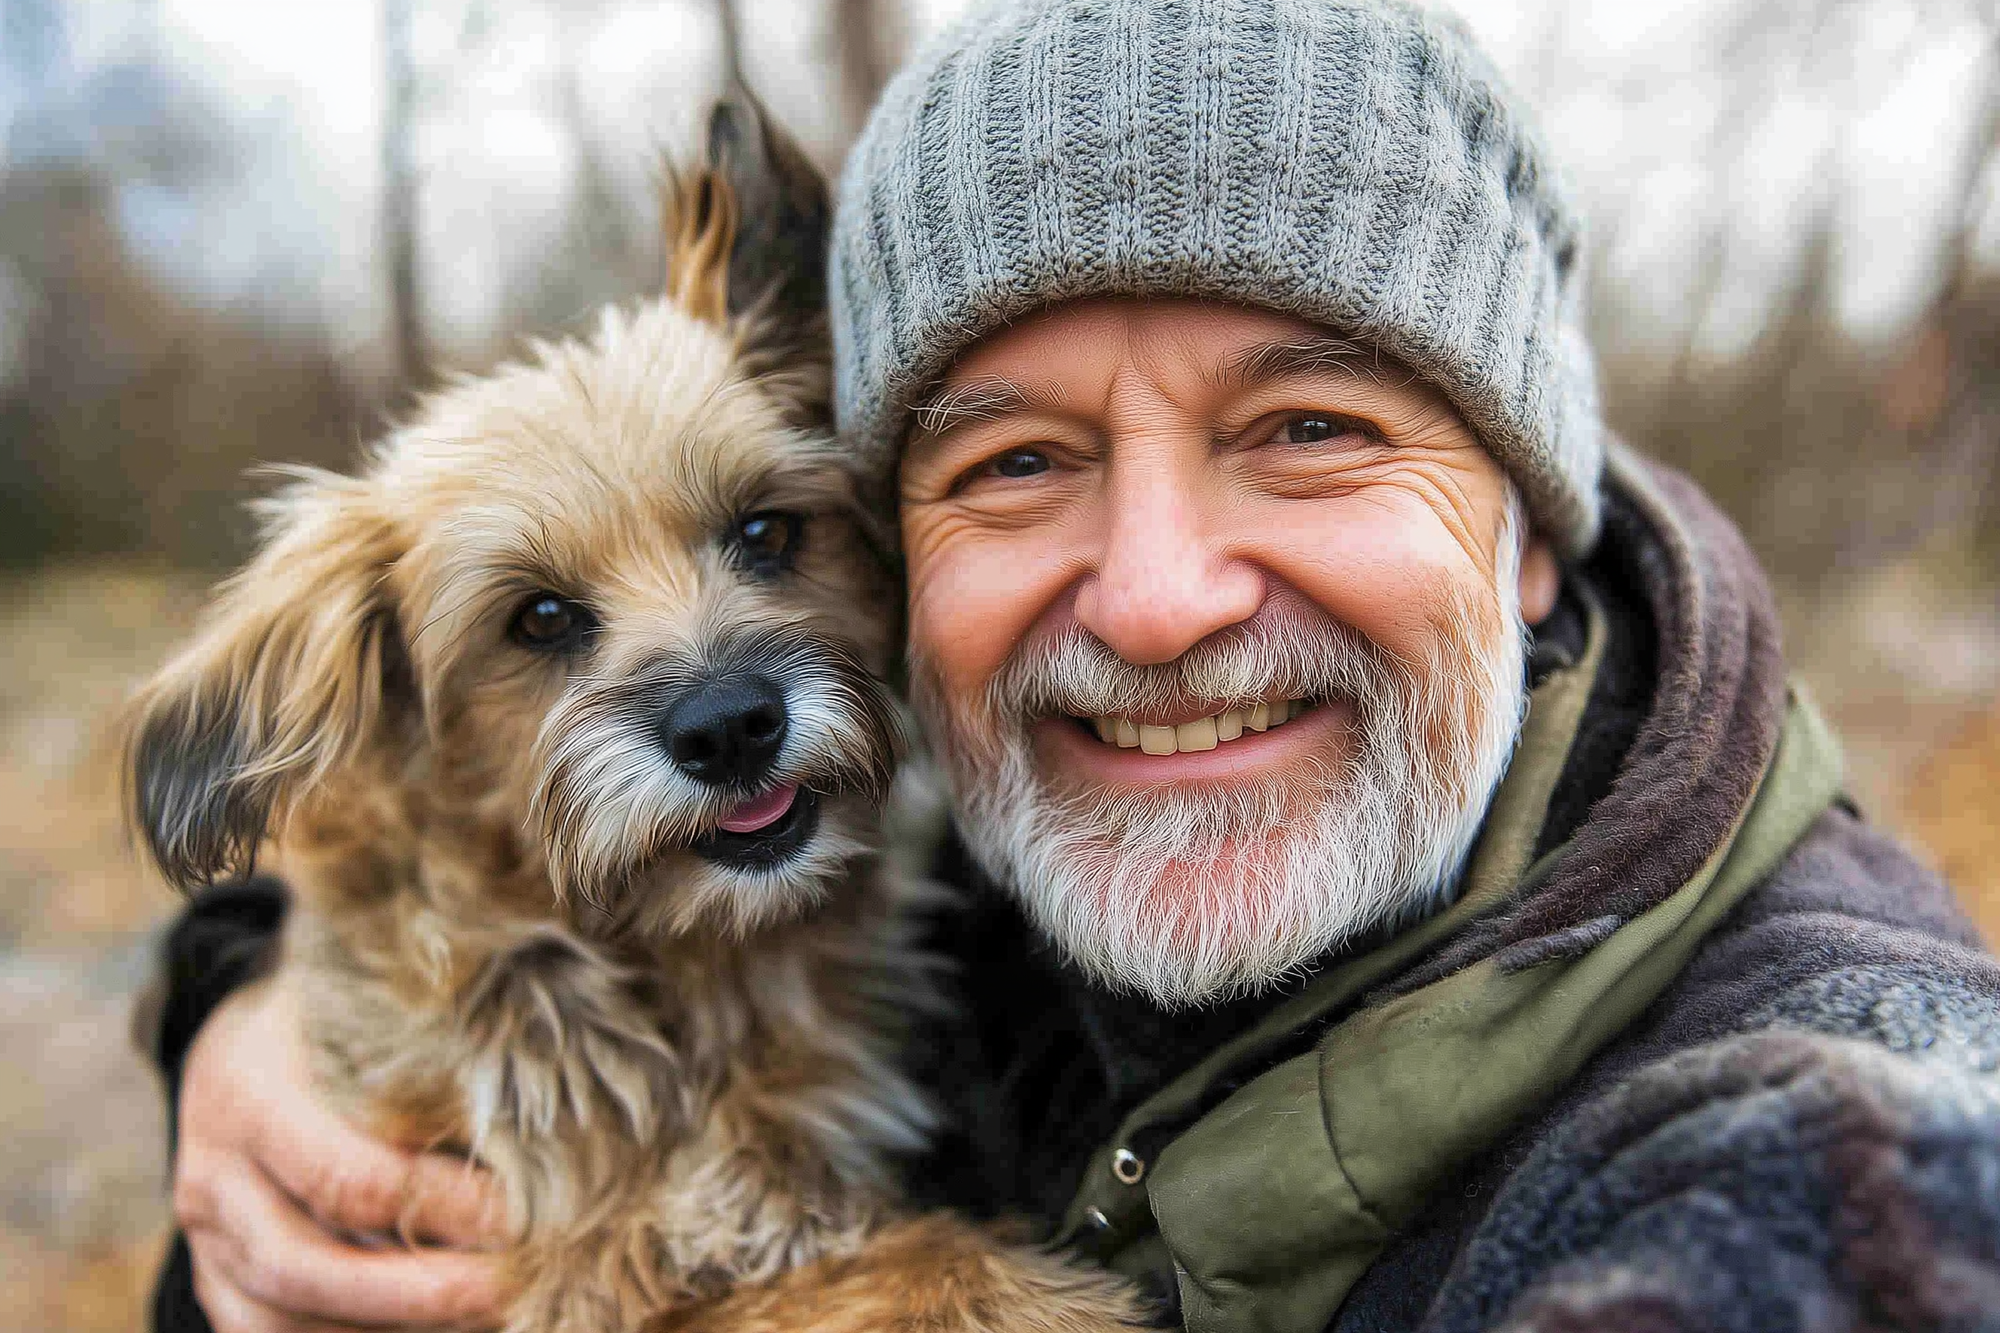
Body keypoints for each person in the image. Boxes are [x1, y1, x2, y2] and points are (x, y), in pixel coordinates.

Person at [141, 2, 2000, 1330]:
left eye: (1311, 430)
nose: (1157, 601)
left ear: (1530, 523)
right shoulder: (972, 851)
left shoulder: (1817, 1119)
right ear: (910, 553)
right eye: (1016, 462)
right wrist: (237, 1019)